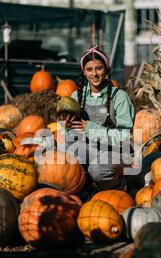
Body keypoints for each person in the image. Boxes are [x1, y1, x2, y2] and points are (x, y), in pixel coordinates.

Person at [61, 46, 135, 191]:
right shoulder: (76, 97)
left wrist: (90, 128)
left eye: (99, 68)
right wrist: (67, 126)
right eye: (89, 69)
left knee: (97, 170)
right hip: (90, 149)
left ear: (106, 69)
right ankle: (84, 188)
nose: (94, 74)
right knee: (66, 154)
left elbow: (125, 137)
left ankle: (120, 185)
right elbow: (71, 136)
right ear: (84, 72)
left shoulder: (119, 97)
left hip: (116, 151)